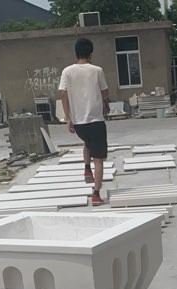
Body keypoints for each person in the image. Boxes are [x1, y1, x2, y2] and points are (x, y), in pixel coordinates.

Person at [58, 37, 110, 205]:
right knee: (99, 160)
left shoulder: (67, 71)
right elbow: (105, 93)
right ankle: (96, 194)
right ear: (91, 54)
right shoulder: (97, 70)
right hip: (96, 121)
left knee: (87, 142)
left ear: (76, 53)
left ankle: (87, 169)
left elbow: (63, 94)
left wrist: (68, 118)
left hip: (79, 123)